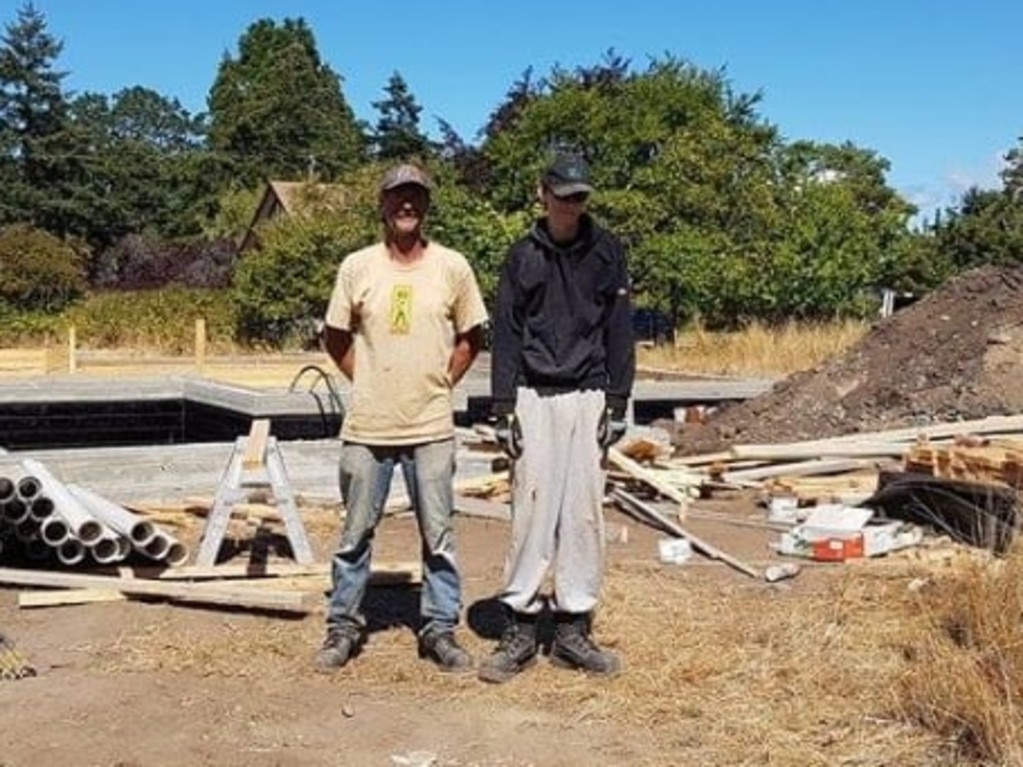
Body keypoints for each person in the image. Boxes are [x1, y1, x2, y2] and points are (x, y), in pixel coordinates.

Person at [315, 162, 488, 673]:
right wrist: (366, 381)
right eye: (397, 197)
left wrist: (441, 382)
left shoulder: (452, 267)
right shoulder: (357, 267)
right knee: (354, 536)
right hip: (369, 426)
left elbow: (471, 335)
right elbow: (335, 335)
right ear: (383, 205)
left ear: (427, 205)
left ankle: (439, 629)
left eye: (415, 196)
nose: (406, 205)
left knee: (439, 535)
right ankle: (343, 627)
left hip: (431, 425)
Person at [479, 152, 635, 683]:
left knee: (583, 512)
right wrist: (503, 407)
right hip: (532, 394)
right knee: (531, 509)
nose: (572, 205)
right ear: (542, 193)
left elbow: (619, 329)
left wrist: (619, 401)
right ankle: (519, 625)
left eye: (580, 197)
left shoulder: (607, 252)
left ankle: (573, 628)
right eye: (564, 196)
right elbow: (505, 332)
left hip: (589, 393)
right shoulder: (522, 256)